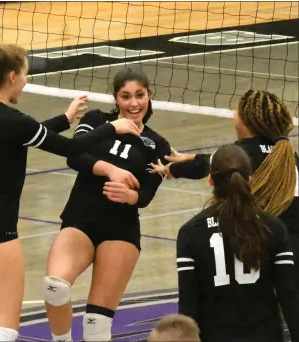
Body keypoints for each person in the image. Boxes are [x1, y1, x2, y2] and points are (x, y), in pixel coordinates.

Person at [0, 39, 139, 342]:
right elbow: (70, 147)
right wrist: (113, 127)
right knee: (4, 328)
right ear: (11, 77)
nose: (26, 80)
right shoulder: (12, 120)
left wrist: (66, 118)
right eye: (24, 73)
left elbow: (27, 134)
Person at [42, 68, 171, 342]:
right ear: (116, 98)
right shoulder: (97, 121)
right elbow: (74, 156)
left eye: (139, 95)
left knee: (96, 326)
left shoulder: (158, 144)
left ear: (149, 96)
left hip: (120, 230)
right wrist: (111, 170)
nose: (133, 103)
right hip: (81, 220)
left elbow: (146, 194)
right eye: (126, 97)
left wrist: (132, 197)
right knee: (55, 287)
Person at [149, 89, 299, 287]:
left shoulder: (239, 154)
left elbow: (201, 167)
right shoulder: (290, 157)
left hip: (262, 248)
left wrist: (171, 168)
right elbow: (211, 160)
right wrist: (192, 157)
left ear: (246, 120)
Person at [176, 144, 299, 342]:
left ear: (210, 180)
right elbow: (289, 296)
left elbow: (188, 304)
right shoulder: (273, 227)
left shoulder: (190, 233)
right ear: (249, 180)